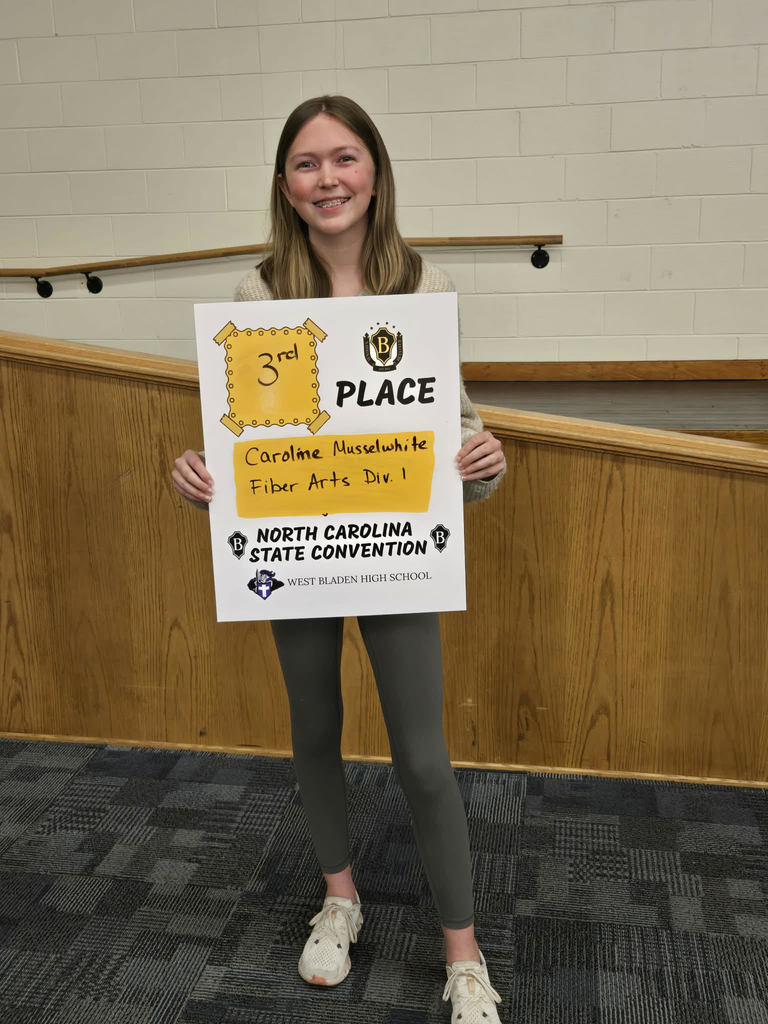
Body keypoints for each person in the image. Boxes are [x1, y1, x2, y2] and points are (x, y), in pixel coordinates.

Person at [172, 95, 506, 1023]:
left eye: (345, 157)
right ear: (285, 186)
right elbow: (239, 444)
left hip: (396, 550)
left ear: (376, 173)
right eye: (307, 163)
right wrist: (199, 476)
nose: (328, 179)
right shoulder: (258, 296)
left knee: (424, 756)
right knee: (315, 730)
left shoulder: (425, 286)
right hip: (300, 553)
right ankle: (340, 899)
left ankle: (463, 952)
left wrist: (482, 462)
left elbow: (457, 425)